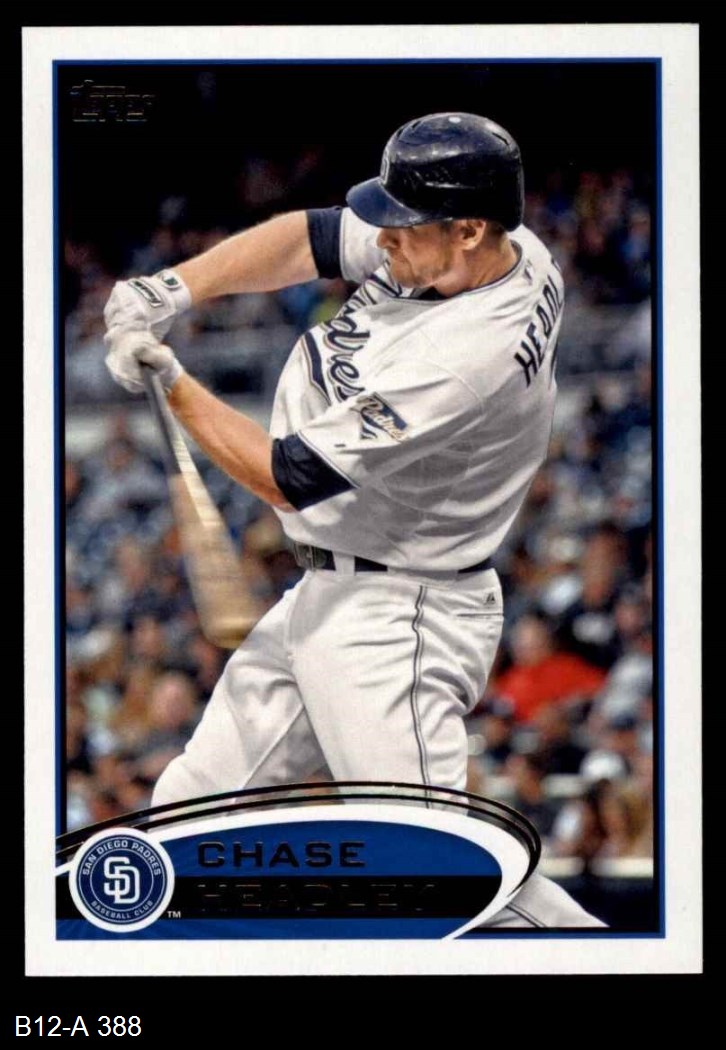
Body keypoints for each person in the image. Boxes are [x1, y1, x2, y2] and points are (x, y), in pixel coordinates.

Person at [103, 112, 604, 928]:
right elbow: (314, 237)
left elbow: (286, 476)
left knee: (441, 871)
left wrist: (174, 383)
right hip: (337, 588)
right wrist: (173, 289)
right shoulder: (492, 247)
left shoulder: (466, 357)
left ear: (470, 229)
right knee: (189, 819)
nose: (384, 238)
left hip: (400, 613)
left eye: (406, 227)